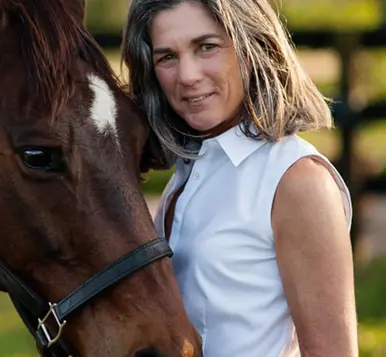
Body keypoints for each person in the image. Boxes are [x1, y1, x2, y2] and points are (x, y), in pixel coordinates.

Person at [121, 0, 359, 356]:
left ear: (252, 48)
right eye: (167, 57)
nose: (187, 76)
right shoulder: (185, 178)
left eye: (206, 47)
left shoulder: (296, 181)